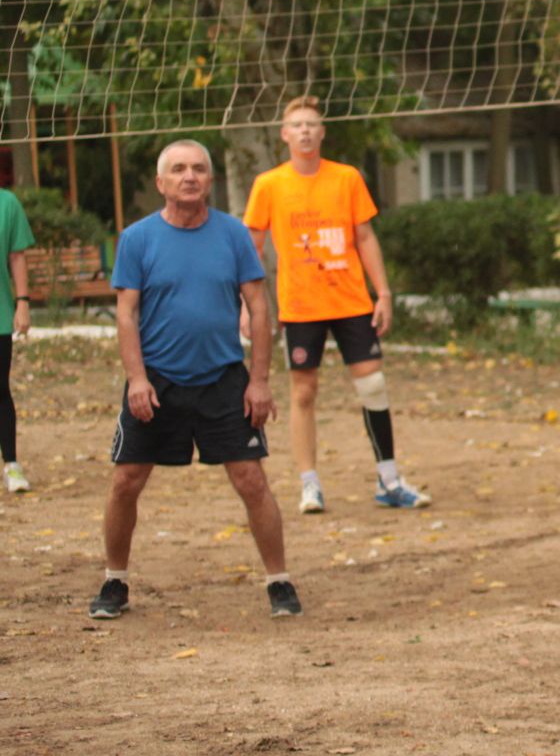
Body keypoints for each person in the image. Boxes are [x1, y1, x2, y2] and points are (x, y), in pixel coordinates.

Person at [89, 138, 300, 620]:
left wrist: (259, 381)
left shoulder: (233, 234)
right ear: (161, 182)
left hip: (223, 379)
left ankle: (279, 581)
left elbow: (259, 307)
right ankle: (114, 581)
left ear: (210, 179)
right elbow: (126, 314)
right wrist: (136, 379)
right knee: (125, 481)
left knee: (251, 479)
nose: (190, 176)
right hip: (156, 381)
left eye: (199, 169)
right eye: (179, 169)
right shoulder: (138, 239)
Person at [244, 96, 427, 513]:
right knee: (303, 392)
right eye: (297, 125)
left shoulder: (346, 178)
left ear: (323, 132)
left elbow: (365, 237)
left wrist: (383, 293)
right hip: (301, 305)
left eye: (312, 124)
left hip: (350, 301)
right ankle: (310, 485)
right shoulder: (269, 184)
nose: (305, 131)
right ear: (285, 135)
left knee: (373, 385)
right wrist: (247, 305)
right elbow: (250, 248)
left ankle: (389, 480)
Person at [0, 168, 33, 494]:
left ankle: (11, 463)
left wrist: (22, 302)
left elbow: (17, 256)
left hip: (0, 313)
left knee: (0, 389)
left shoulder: (7, 203)